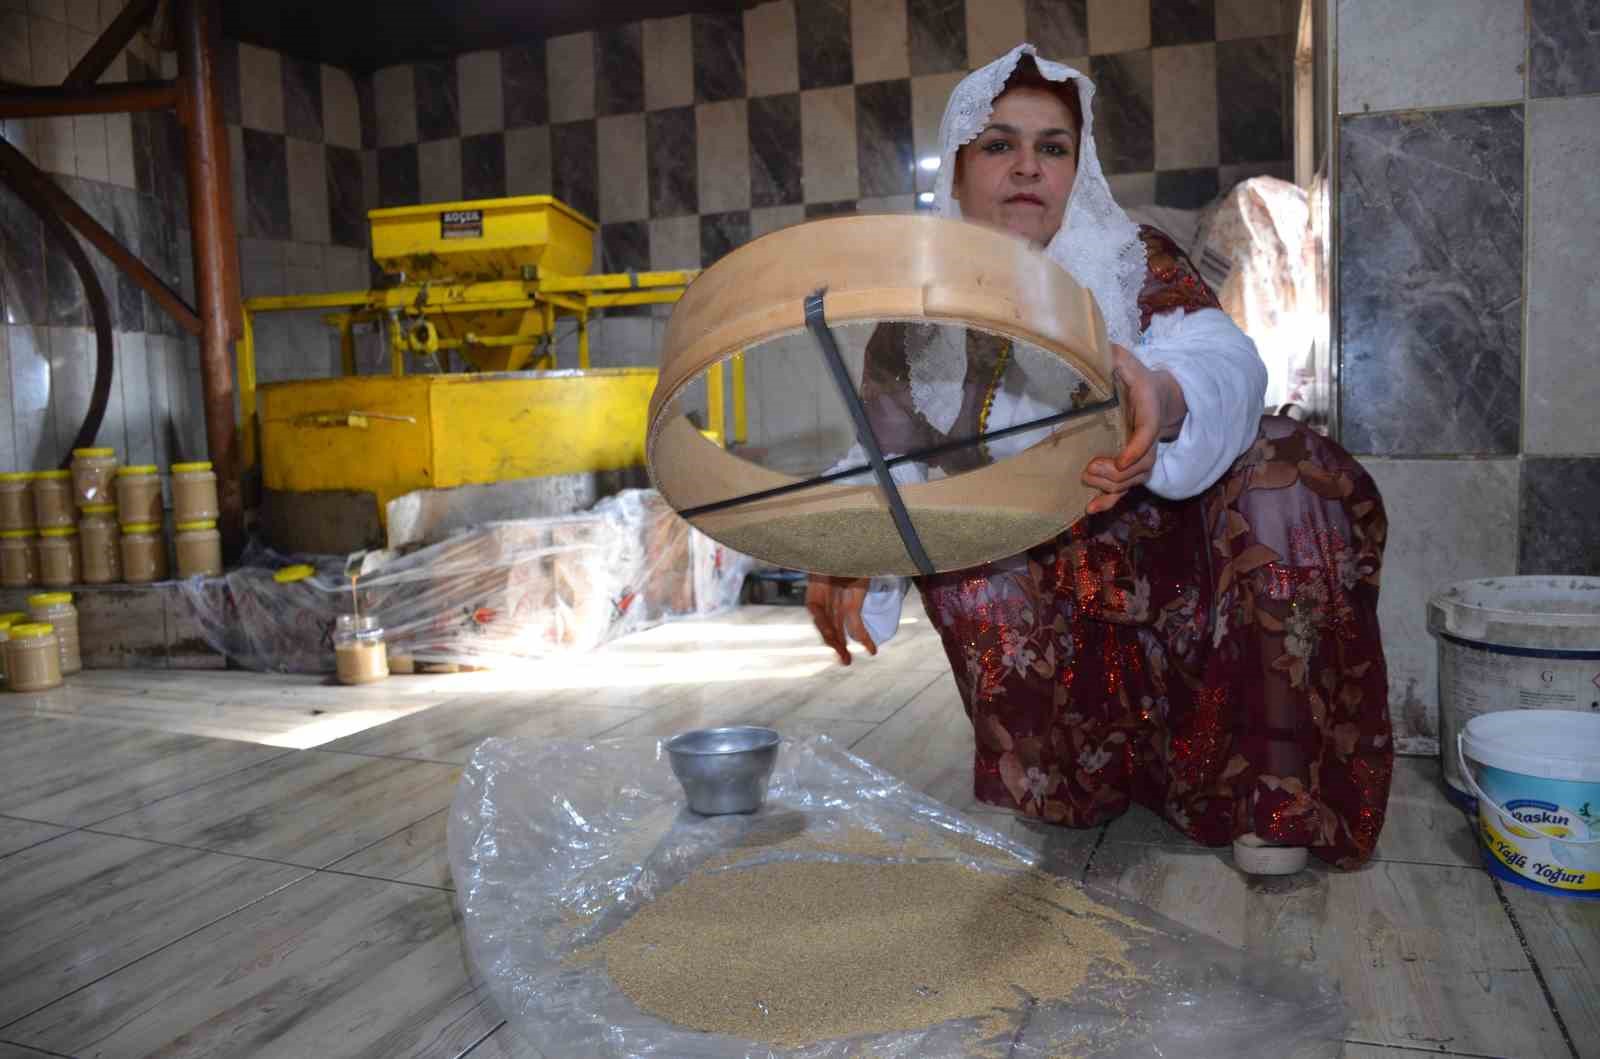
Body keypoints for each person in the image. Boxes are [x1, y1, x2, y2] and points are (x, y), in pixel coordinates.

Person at [806, 45, 1392, 873]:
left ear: (1076, 170)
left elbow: (1226, 360)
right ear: (962, 171)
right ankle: (1073, 778)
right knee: (963, 539)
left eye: (1053, 147)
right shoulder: (916, 322)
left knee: (1288, 465)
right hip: (1044, 606)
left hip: (1180, 585)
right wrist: (847, 544)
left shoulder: (1129, 260)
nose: (1027, 169)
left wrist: (1161, 391)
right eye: (999, 144)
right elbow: (889, 462)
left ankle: (1275, 794)